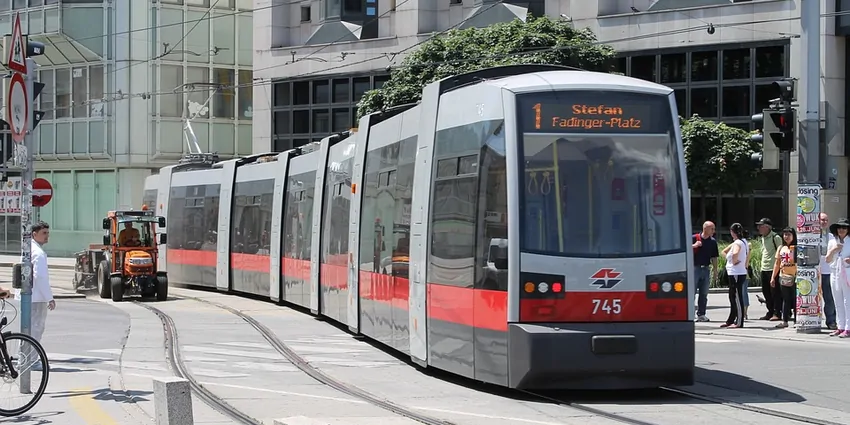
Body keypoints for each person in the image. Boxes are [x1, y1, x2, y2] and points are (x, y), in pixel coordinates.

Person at [31, 221, 55, 370]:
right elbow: (40, 277)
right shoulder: (38, 253)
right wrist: (49, 298)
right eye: (44, 233)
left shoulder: (30, 249)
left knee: (30, 329)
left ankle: (28, 359)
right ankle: (31, 361)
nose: (47, 236)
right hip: (36, 297)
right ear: (35, 234)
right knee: (36, 329)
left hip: (32, 296)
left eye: (47, 233)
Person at [721, 223, 748, 328]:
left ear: (732, 232)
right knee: (732, 296)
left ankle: (739, 322)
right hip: (735, 272)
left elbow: (735, 253)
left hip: (736, 273)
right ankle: (731, 320)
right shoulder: (743, 242)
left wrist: (734, 260)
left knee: (737, 296)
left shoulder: (737, 243)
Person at [755, 218, 784, 321]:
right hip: (764, 268)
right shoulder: (763, 238)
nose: (759, 228)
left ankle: (777, 312)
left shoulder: (775, 237)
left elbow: (781, 252)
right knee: (766, 291)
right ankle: (770, 311)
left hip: (773, 268)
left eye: (761, 226)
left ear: (768, 227)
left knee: (775, 292)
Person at [826, 218, 850, 337]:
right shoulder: (832, 242)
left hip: (847, 272)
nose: (841, 230)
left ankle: (848, 327)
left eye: (844, 228)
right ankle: (840, 326)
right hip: (834, 272)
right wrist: (834, 250)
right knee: (837, 300)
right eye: (839, 228)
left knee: (847, 300)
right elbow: (827, 259)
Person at [770, 227, 798, 329]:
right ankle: (785, 321)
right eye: (785, 234)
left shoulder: (796, 248)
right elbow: (777, 264)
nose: (786, 236)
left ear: (793, 236)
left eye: (789, 234)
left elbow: (799, 264)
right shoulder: (781, 248)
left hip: (795, 278)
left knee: (795, 300)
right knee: (785, 300)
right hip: (783, 277)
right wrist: (773, 277)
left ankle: (796, 321)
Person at [692, 221, 719, 322]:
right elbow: (685, 249)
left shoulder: (712, 241)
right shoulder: (694, 238)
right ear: (705, 228)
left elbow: (714, 257)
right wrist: (694, 245)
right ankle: (691, 313)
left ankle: (701, 314)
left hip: (706, 269)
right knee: (692, 293)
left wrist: (715, 270)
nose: (713, 231)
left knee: (704, 293)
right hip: (695, 268)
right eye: (712, 229)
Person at [819, 213, 838, 330]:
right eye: (822, 220)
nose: (824, 222)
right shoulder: (812, 236)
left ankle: (831, 321)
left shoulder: (832, 237)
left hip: (827, 272)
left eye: (826, 220)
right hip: (814, 272)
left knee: (829, 298)